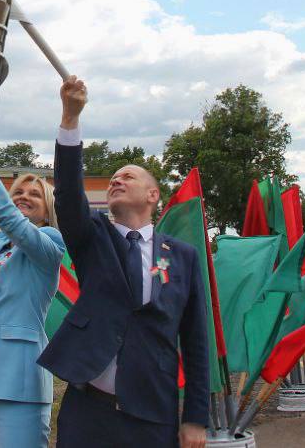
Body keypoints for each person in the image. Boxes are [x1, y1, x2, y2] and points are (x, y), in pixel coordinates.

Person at [38, 77, 209, 448]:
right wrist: (70, 119)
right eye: (112, 178)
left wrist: (195, 418)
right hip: (88, 410)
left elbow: (196, 341)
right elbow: (68, 193)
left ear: (153, 194)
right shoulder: (92, 237)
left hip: (152, 410)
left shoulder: (183, 256)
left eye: (127, 176)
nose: (116, 180)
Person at [0, 164, 66, 448]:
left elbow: (14, 223)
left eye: (35, 194)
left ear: (48, 208)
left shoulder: (51, 241)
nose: (24, 196)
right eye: (18, 192)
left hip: (19, 380)